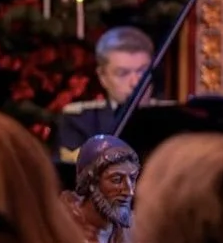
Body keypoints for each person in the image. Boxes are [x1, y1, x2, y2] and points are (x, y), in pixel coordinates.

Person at [57, 26, 154, 161]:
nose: (135, 82)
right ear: (102, 76)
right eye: (122, 73)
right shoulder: (80, 120)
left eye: (142, 71)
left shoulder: (174, 118)